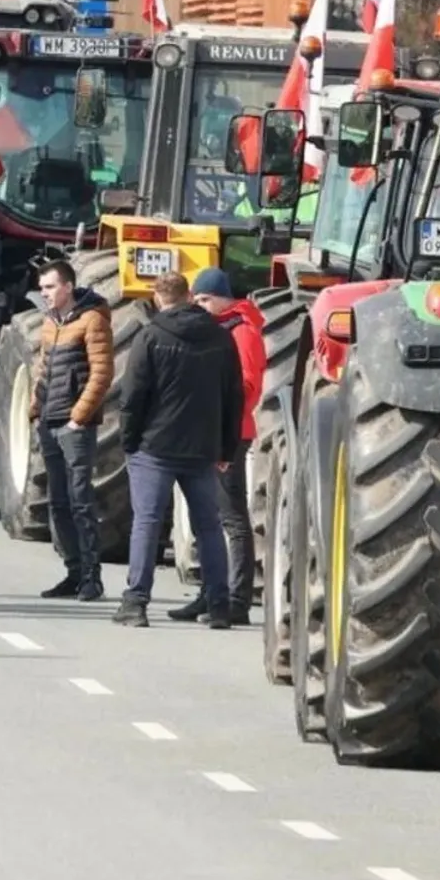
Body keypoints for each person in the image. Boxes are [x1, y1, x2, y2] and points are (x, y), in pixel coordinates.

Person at [114, 272, 242, 628]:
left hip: (154, 447)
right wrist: (226, 448)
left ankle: (136, 603)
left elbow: (132, 397)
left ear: (158, 299)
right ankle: (218, 605)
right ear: (189, 296)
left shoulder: (151, 336)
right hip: (202, 448)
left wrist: (129, 441)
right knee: (209, 526)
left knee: (148, 523)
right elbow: (234, 397)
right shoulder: (221, 338)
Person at [168, 267, 264, 626]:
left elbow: (248, 387)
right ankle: (209, 594)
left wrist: (223, 432)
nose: (201, 305)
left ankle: (237, 599)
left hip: (231, 434)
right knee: (206, 518)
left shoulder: (242, 331)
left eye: (207, 299)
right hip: (208, 433)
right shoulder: (217, 330)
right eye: (198, 299)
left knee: (231, 517)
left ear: (224, 297)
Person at [27, 258, 112, 603]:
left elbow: (102, 373)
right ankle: (73, 571)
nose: (44, 294)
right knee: (58, 503)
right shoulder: (50, 323)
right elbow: (43, 367)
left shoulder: (92, 320)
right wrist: (35, 408)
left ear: (67, 286)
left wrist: (79, 416)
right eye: (42, 288)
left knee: (81, 502)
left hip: (75, 426)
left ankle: (92, 577)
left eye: (49, 287)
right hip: (49, 422)